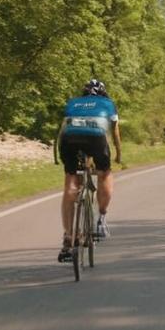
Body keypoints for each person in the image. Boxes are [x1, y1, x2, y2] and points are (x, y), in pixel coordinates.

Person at [53, 79, 122, 262]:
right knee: (104, 174)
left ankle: (69, 238)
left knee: (71, 182)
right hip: (95, 138)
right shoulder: (108, 104)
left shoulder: (73, 102)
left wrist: (57, 156)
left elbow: (60, 132)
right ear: (103, 93)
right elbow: (114, 134)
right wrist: (118, 155)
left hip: (69, 138)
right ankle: (101, 220)